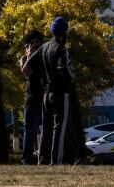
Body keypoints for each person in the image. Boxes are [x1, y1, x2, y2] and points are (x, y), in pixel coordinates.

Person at [24, 17, 75, 165]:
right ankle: (55, 161)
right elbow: (66, 71)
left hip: (45, 94)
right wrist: (72, 77)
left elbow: (27, 67)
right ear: (64, 32)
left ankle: (43, 160)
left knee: (46, 128)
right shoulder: (61, 49)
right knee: (59, 127)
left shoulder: (43, 48)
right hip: (60, 92)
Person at [19, 30, 45, 165]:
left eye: (37, 42)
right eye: (32, 43)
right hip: (31, 99)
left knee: (46, 131)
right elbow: (26, 73)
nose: (35, 45)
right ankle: (27, 160)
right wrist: (29, 56)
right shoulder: (25, 58)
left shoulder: (45, 56)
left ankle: (43, 157)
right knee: (30, 131)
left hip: (45, 98)